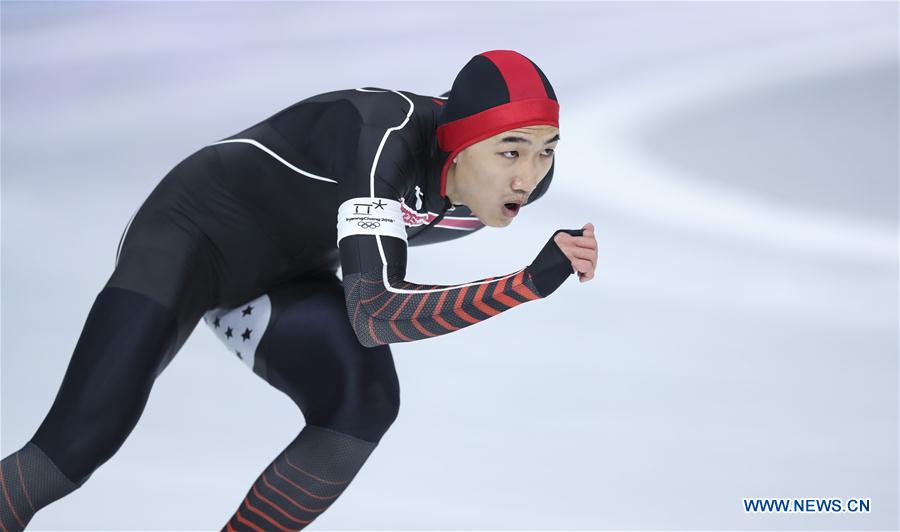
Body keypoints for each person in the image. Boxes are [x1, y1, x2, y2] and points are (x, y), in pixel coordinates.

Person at [0, 49, 597, 531]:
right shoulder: (382, 139)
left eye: (546, 152)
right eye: (509, 151)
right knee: (74, 448)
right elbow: (376, 313)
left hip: (289, 272)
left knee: (362, 403)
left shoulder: (519, 182)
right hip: (189, 237)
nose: (527, 175)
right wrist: (524, 284)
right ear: (458, 142)